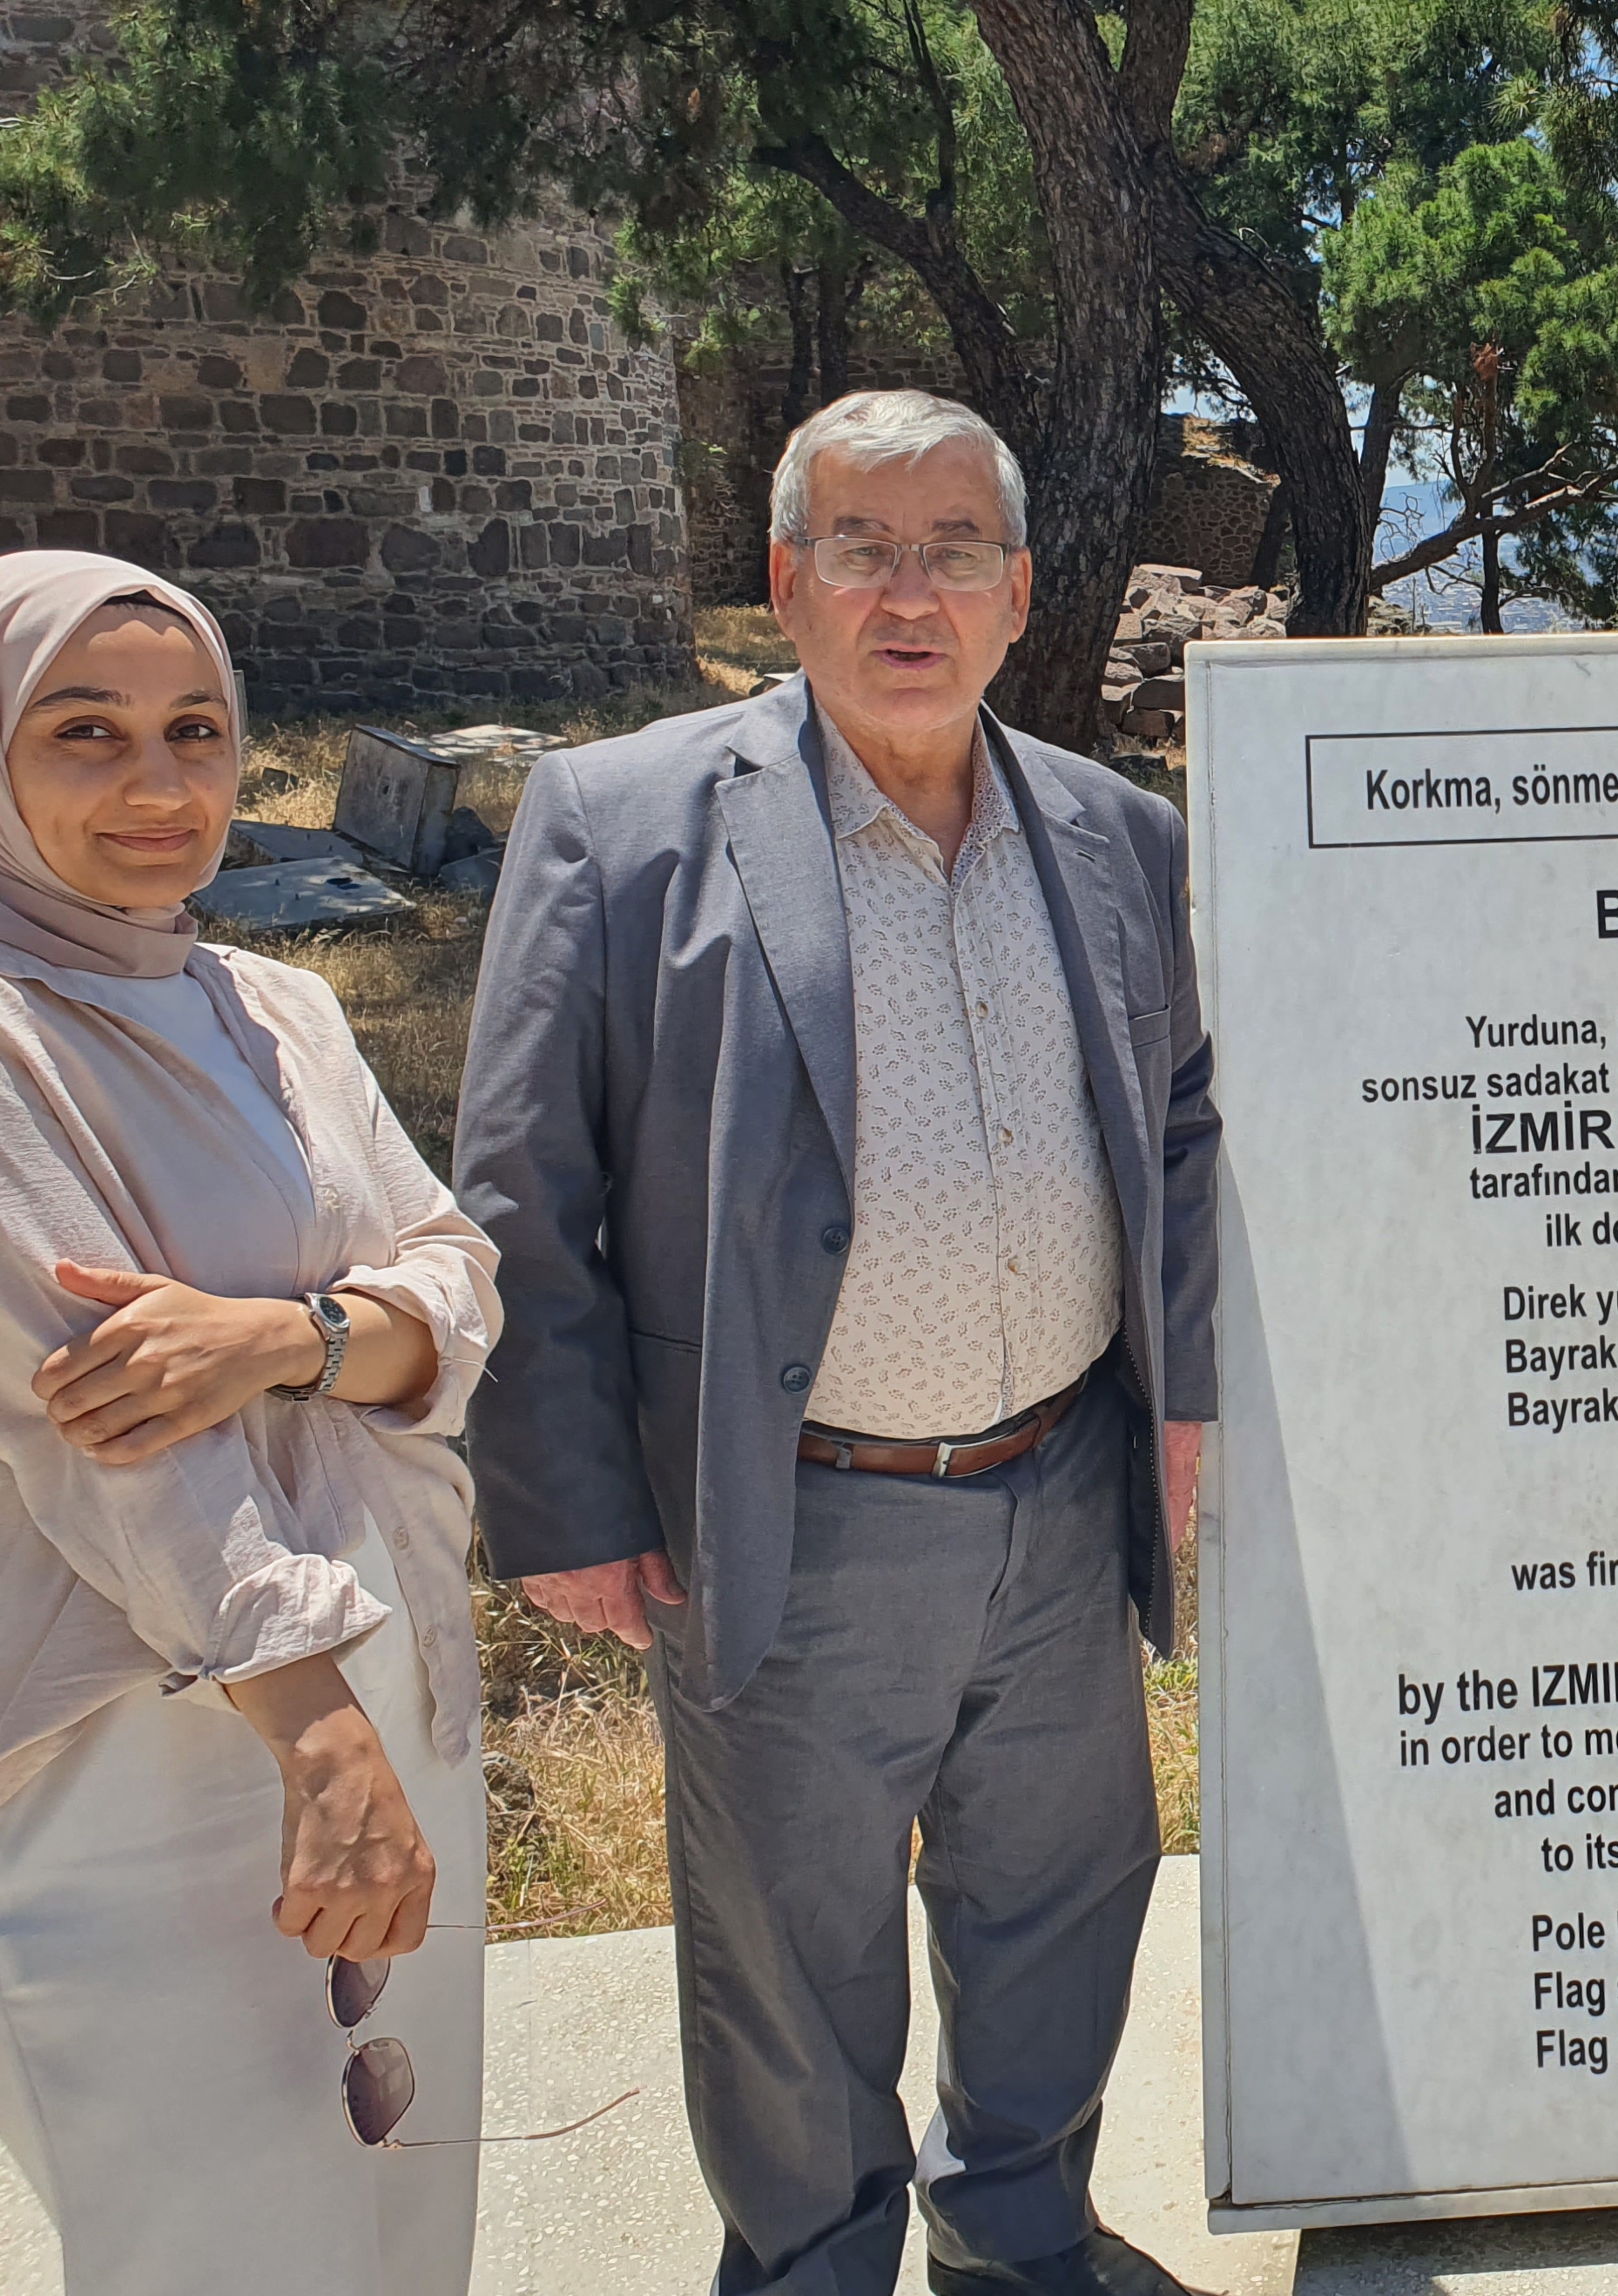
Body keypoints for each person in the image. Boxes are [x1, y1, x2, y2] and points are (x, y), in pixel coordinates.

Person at [457, 388, 1218, 2296]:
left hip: (1064, 1491)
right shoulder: (622, 822)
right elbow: (525, 1187)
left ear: (1019, 589)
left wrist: (1186, 1392)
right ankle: (811, 2265)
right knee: (791, 1971)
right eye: (861, 548)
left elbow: (1183, 1120)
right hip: (789, 1512)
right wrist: (564, 1502)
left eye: (955, 549)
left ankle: (1018, 2238)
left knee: (1060, 1908)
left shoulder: (1116, 833)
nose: (910, 593)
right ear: (787, 581)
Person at [0, 553, 498, 2294]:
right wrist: (324, 1745)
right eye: (86, 733)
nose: (158, 786)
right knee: (222, 2250)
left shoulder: (275, 1006)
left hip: (390, 1698)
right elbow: (114, 1443)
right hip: (140, 1749)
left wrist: (288, 1338)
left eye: (195, 731)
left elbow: (458, 1282)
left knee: (400, 2236)